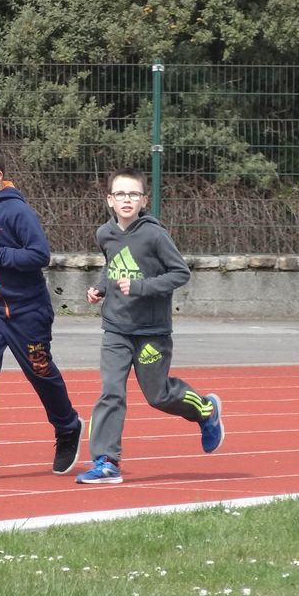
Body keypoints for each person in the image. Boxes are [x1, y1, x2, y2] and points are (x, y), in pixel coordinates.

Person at [76, 168, 224, 485]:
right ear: (109, 200)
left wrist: (142, 287)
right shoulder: (105, 233)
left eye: (133, 194)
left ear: (144, 200)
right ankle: (106, 461)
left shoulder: (155, 235)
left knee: (158, 395)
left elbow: (180, 273)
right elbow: (113, 265)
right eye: (120, 194)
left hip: (151, 333)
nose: (126, 199)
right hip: (115, 328)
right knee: (110, 392)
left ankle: (205, 410)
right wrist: (100, 288)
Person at [0, 142, 83, 474]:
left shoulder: (17, 212)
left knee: (40, 371)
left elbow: (39, 255)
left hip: (27, 310)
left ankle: (67, 426)